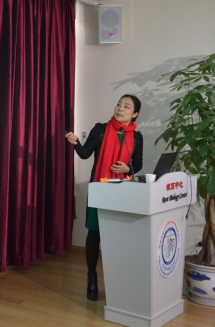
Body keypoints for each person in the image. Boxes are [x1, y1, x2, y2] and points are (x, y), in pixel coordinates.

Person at [65, 94, 143, 301]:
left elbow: (138, 163)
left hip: (122, 191)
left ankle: (118, 278)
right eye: (119, 104)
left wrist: (127, 169)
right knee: (95, 233)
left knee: (118, 235)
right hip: (99, 189)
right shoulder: (100, 129)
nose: (120, 108)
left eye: (126, 106)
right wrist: (75, 143)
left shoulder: (137, 137)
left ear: (134, 114)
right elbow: (84, 153)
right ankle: (92, 276)